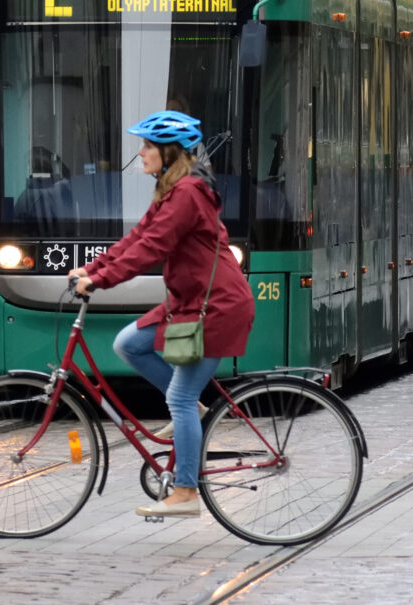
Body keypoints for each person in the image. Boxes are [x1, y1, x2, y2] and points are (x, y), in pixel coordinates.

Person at [68, 111, 254, 520]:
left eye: (148, 146)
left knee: (179, 397)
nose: (141, 153)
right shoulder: (172, 191)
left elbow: (151, 250)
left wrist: (101, 281)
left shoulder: (187, 193)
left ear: (169, 152)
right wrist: (92, 269)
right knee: (129, 343)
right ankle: (197, 414)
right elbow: (137, 239)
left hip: (216, 305)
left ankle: (187, 490)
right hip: (189, 301)